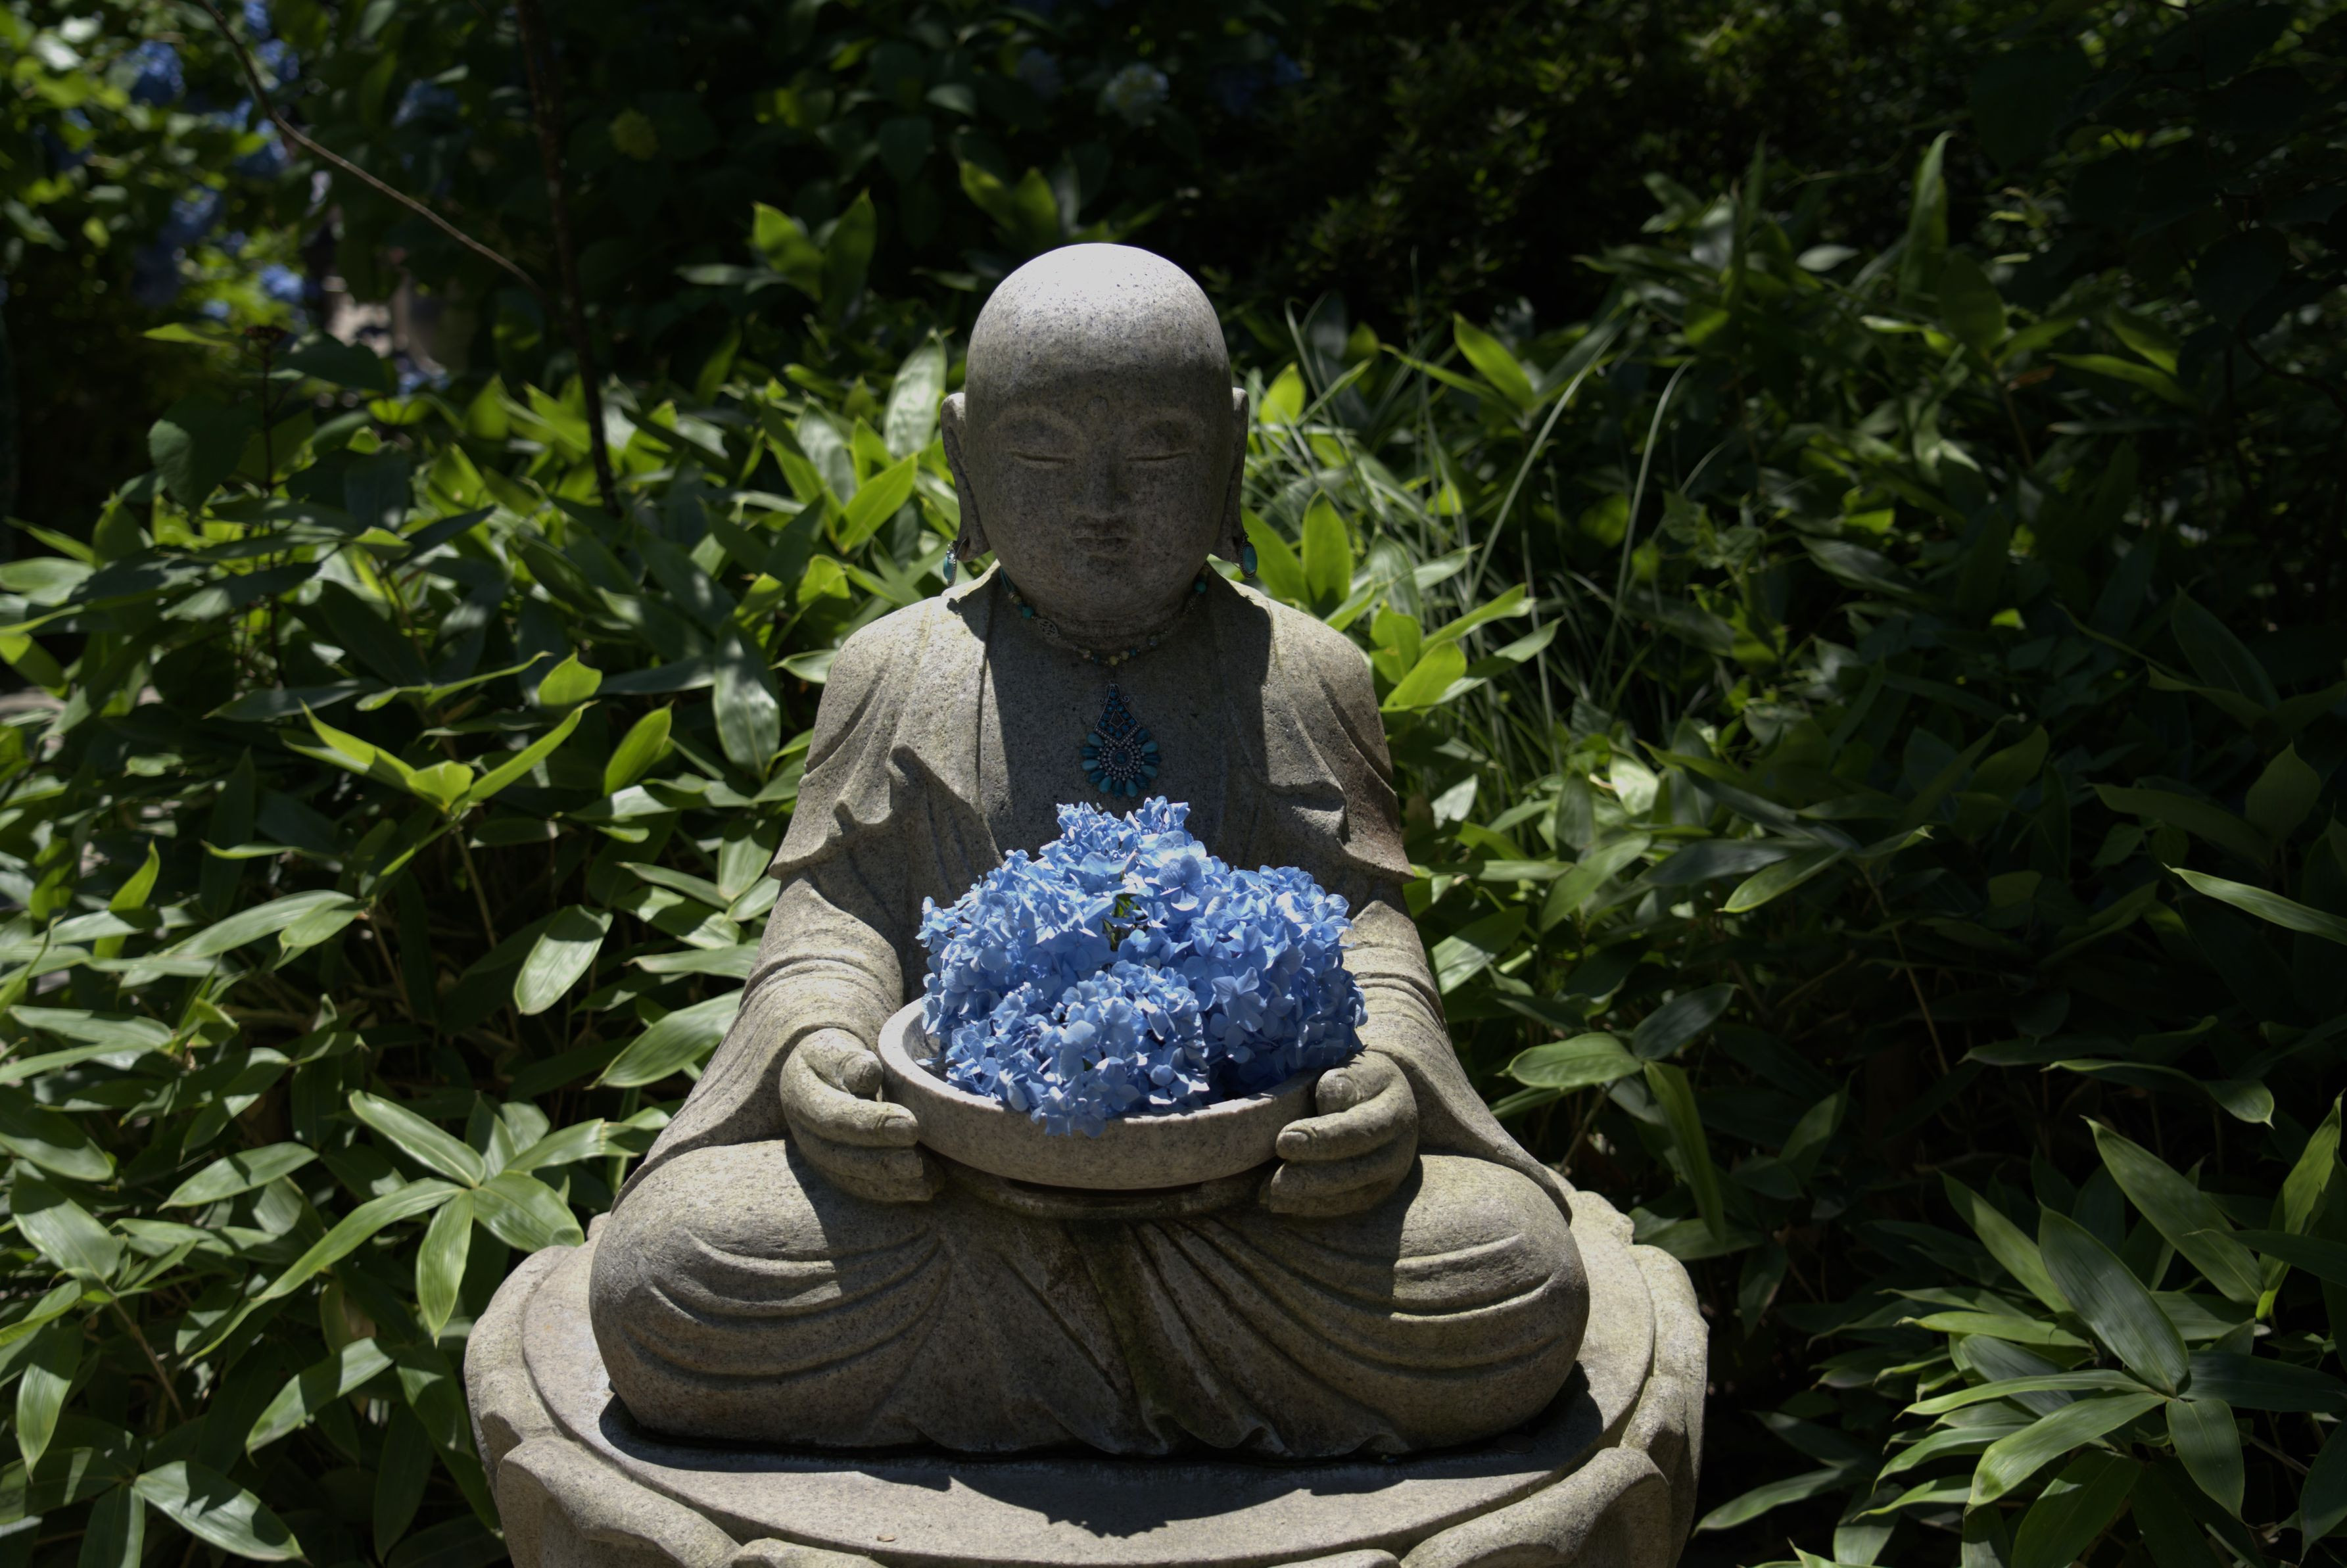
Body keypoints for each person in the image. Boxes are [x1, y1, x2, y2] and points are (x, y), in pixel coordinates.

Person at [588, 245, 1588, 1458]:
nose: (1101, 503)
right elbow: (834, 915)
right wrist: (820, 1048)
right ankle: (1158, 1373)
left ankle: (1026, 1374)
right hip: (960, 1184)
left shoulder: (1303, 674)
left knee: (1513, 1269)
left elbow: (1363, 930)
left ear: (1229, 452)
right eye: (1043, 456)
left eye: (1157, 454)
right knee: (668, 1270)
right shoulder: (896, 669)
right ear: (962, 456)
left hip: (1247, 1192)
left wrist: (1380, 1079)